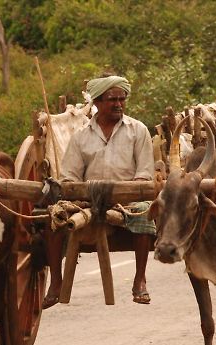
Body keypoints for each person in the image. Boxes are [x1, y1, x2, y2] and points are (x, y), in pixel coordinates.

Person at [42, 75, 156, 309]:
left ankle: (140, 279)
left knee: (145, 210)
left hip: (128, 201)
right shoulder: (81, 136)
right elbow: (70, 177)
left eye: (122, 99)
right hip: (87, 202)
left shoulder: (138, 131)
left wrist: (127, 193)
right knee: (53, 215)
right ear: (97, 101)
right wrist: (78, 193)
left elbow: (144, 174)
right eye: (112, 99)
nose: (118, 104)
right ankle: (55, 282)